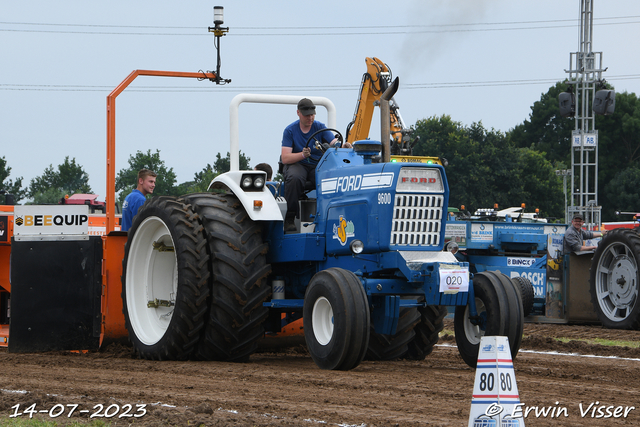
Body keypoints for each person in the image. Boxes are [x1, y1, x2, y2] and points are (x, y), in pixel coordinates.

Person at [281, 98, 347, 231]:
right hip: (298, 163)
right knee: (295, 177)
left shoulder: (320, 127)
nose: (310, 118)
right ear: (298, 113)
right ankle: (289, 218)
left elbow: (334, 142)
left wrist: (343, 146)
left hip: (316, 165)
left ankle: (332, 217)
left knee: (329, 178)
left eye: (312, 114)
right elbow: (285, 158)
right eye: (307, 115)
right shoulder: (290, 131)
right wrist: (302, 155)